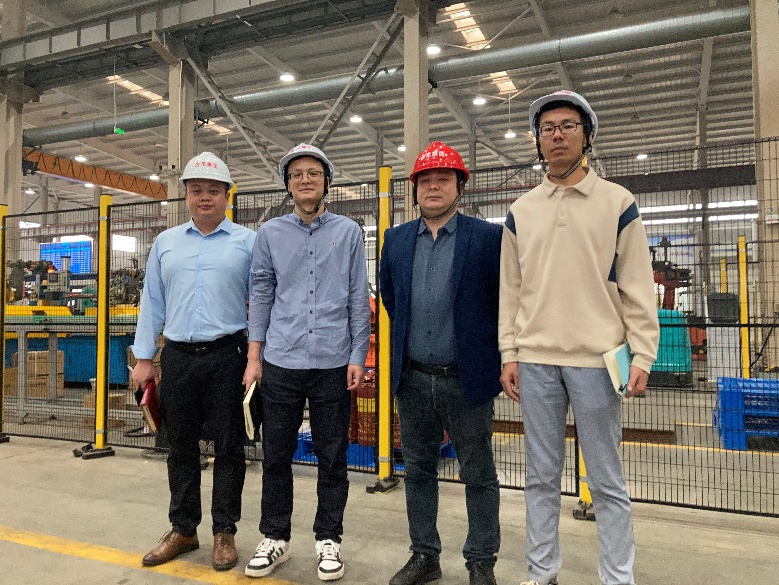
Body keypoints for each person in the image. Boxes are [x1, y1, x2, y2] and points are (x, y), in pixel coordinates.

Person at [498, 90, 660, 585]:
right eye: (547, 128)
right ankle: (541, 572)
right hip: (536, 360)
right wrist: (509, 352)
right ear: (538, 140)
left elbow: (637, 284)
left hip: (598, 360)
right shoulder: (521, 210)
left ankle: (618, 576)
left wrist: (643, 355)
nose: (557, 135)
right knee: (540, 478)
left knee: (607, 480)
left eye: (568, 126)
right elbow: (511, 290)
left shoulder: (617, 202)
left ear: (587, 135)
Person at [244, 143, 371, 581]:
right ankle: (275, 537)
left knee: (333, 456)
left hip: (333, 361)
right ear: (288, 185)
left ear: (326, 182)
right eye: (296, 174)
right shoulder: (269, 234)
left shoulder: (348, 232)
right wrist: (255, 357)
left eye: (313, 173)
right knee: (276, 454)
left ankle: (328, 540)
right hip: (281, 359)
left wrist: (358, 355)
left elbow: (358, 296)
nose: (305, 180)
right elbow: (261, 293)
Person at [379, 142, 503, 585]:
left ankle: (481, 562)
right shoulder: (395, 240)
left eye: (443, 179)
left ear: (460, 187)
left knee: (478, 473)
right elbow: (391, 298)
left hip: (466, 379)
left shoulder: (487, 239)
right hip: (413, 378)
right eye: (425, 180)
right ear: (415, 190)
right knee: (417, 471)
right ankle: (424, 556)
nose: (433, 187)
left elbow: (502, 302)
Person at [132, 152, 256, 572]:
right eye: (197, 190)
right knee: (179, 445)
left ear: (227, 196)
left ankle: (225, 532)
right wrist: (144, 359)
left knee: (229, 446)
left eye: (214, 191)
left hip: (228, 356)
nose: (205, 197)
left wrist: (256, 355)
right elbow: (152, 302)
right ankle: (184, 529)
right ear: (185, 195)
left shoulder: (247, 242)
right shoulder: (166, 243)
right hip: (178, 357)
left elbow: (262, 301)